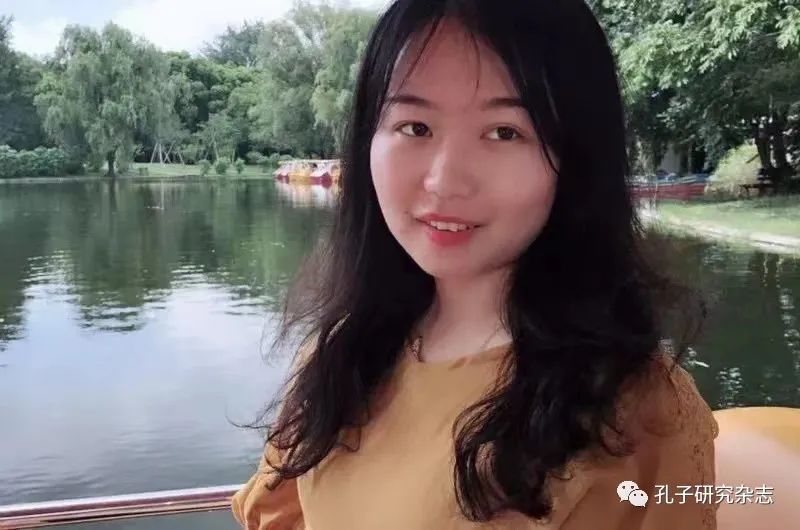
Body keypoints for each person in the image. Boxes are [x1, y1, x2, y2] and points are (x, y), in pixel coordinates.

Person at [232, 0, 719, 528]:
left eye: (504, 132)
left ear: (577, 159)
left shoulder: (640, 410)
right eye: (415, 127)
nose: (444, 181)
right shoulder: (343, 350)